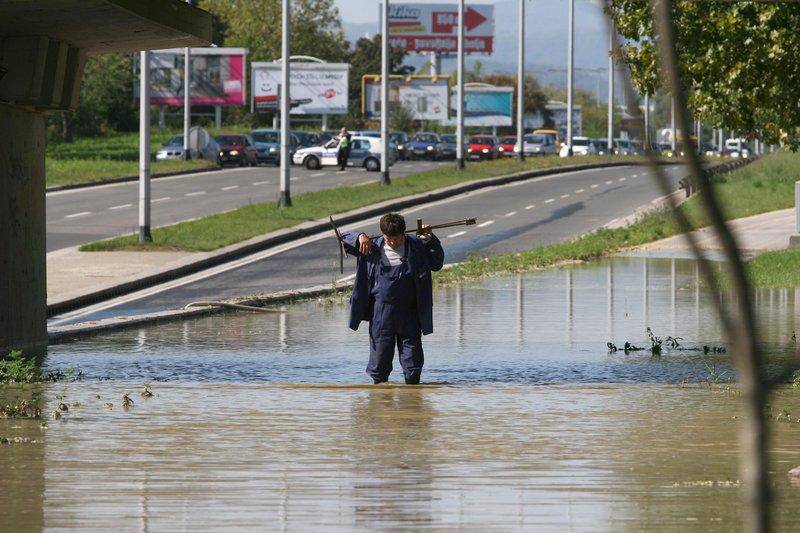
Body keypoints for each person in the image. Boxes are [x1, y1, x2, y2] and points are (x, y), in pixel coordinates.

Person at [341, 213, 445, 384]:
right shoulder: (371, 246)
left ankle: (413, 405)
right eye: (388, 239)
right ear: (383, 234)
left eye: (396, 239)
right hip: (381, 314)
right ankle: (380, 405)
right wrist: (359, 236)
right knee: (379, 368)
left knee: (413, 368)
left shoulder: (417, 245)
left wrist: (431, 239)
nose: (392, 242)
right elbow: (342, 237)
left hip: (410, 313)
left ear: (403, 233)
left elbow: (436, 263)